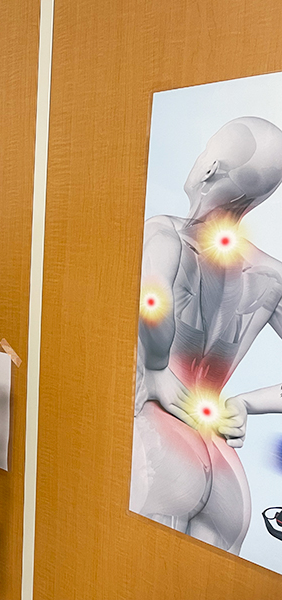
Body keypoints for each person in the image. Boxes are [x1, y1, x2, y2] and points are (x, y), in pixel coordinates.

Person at [130, 116, 282, 553]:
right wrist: (247, 403)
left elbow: (155, 304)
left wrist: (157, 368)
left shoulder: (164, 233)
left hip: (161, 445)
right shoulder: (272, 276)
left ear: (210, 166)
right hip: (225, 470)